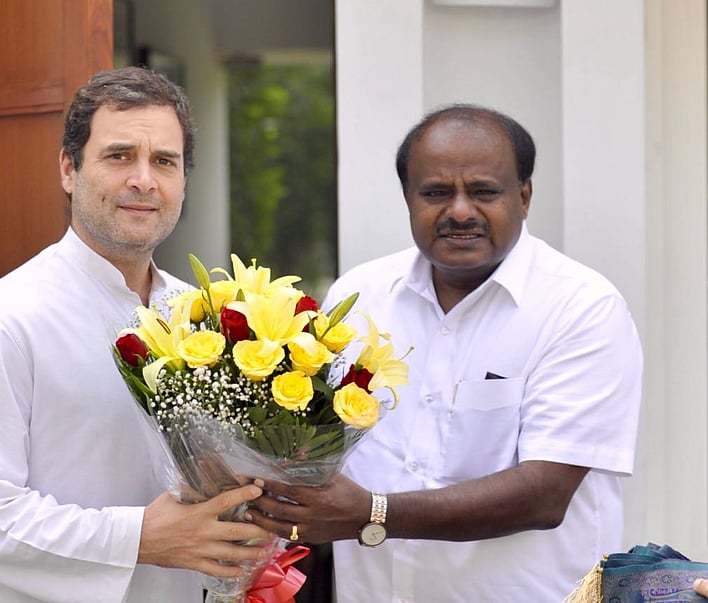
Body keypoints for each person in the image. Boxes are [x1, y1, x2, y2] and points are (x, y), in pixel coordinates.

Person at [247, 104, 643, 601]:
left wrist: (372, 512)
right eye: (435, 192)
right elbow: (316, 448)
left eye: (483, 191)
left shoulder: (582, 307)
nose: (459, 211)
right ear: (409, 198)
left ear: (524, 196)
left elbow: (545, 494)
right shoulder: (361, 295)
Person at [0, 67, 272, 603]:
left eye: (164, 161)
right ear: (68, 169)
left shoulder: (206, 317)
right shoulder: (5, 322)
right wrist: (137, 539)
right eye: (119, 156)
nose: (144, 180)